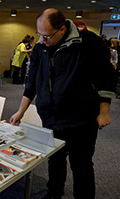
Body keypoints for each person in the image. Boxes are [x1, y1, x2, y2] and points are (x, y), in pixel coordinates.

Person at [10, 8, 115, 199]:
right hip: (51, 117)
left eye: (47, 35)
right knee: (55, 160)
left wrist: (104, 111)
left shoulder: (88, 42)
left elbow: (106, 77)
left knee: (81, 164)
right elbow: (32, 81)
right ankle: (54, 193)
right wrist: (20, 111)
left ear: (61, 30)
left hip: (80, 119)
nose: (42, 40)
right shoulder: (41, 48)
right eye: (39, 34)